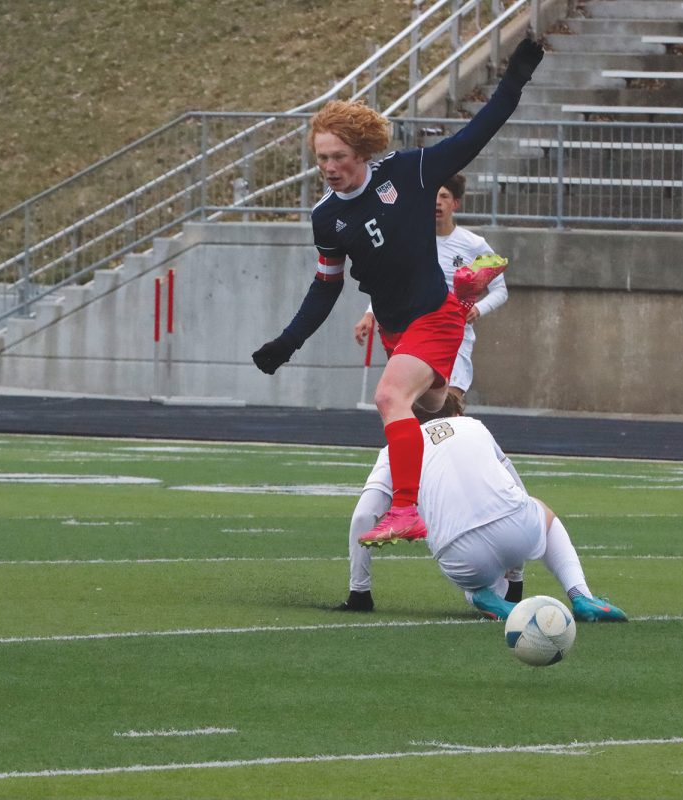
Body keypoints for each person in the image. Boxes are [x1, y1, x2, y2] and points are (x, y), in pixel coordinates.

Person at [252, 37, 543, 550]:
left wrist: (514, 78)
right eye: (321, 157)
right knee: (435, 411)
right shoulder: (326, 217)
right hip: (394, 327)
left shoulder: (410, 172)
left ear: (361, 152)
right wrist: (287, 342)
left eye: (338, 156)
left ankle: (407, 509)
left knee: (389, 397)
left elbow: (479, 132)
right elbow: (325, 288)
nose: (329, 166)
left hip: (437, 314)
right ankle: (502, 507)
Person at [340, 399, 627, 622]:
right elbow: (516, 488)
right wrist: (516, 575)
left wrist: (359, 593)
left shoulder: (394, 448)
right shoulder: (473, 426)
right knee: (539, 510)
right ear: (456, 414)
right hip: (518, 531)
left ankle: (483, 597)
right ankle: (580, 595)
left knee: (475, 580)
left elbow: (364, 517)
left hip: (460, 554)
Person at [353, 173, 508, 408]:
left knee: (451, 406)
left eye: (444, 196)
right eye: (432, 196)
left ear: (455, 203)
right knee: (415, 407)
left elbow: (500, 290)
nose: (437, 202)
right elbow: (393, 281)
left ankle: (457, 441)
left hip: (455, 334)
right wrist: (369, 312)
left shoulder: (473, 244)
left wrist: (478, 308)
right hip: (417, 331)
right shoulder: (410, 239)